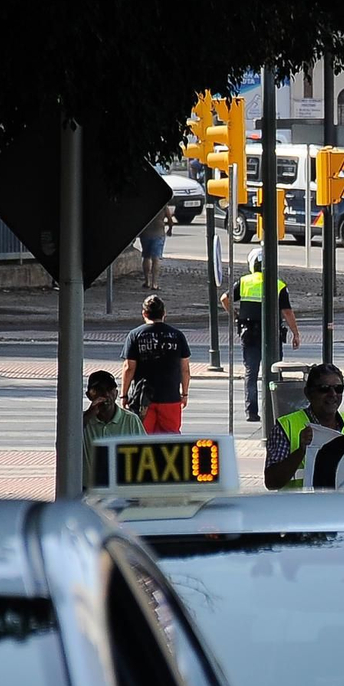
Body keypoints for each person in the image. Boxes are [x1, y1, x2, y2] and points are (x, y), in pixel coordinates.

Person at [221, 249, 299, 422]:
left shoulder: (244, 282)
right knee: (274, 371)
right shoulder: (278, 284)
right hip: (272, 335)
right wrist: (295, 333)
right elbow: (287, 312)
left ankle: (252, 412)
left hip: (249, 334)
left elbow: (224, 299)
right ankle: (275, 409)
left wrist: (235, 315)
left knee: (251, 372)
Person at [265, 363, 344, 490]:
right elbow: (271, 482)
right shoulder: (286, 427)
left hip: (343, 507)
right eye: (324, 388)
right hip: (298, 507)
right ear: (308, 393)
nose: (333, 394)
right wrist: (301, 451)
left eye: (338, 388)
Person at [121, 295, 190, 434]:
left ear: (144, 313)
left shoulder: (135, 335)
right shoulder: (177, 335)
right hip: (170, 396)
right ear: (164, 313)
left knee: (143, 437)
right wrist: (184, 393)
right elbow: (185, 369)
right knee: (170, 439)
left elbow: (129, 368)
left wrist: (124, 395)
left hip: (143, 397)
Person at [81, 370, 145, 483]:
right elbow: (68, 443)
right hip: (88, 489)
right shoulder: (82, 421)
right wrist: (88, 415)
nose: (105, 395)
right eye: (99, 390)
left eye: (109, 390)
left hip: (120, 488)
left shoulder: (130, 420)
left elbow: (144, 454)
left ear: (115, 393)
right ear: (89, 395)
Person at [137, 203, 172, 291]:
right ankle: (154, 283)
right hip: (158, 234)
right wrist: (170, 229)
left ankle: (147, 281)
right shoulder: (163, 205)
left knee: (146, 257)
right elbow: (170, 219)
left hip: (145, 234)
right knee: (156, 259)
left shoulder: (144, 205)